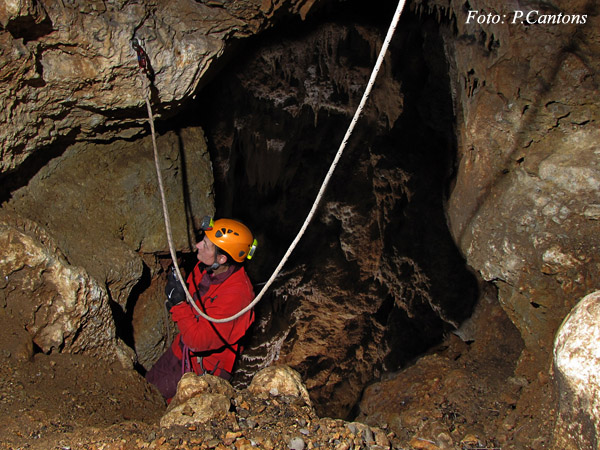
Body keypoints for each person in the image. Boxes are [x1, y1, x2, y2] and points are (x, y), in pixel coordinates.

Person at [146, 217, 257, 401]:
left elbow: (198, 341)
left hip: (203, 370)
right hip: (182, 348)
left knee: (167, 409)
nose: (198, 245)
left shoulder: (237, 296)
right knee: (148, 388)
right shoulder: (206, 267)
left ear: (221, 258)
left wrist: (179, 304)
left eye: (205, 244)